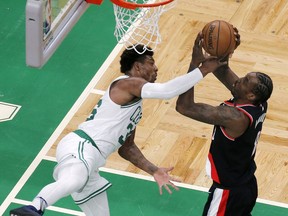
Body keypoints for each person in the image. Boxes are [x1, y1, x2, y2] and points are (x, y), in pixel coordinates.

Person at [10, 44, 224, 216]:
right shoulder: (126, 84)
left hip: (91, 161)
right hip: (81, 146)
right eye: (151, 63)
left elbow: (127, 148)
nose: (156, 68)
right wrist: (203, 68)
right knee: (74, 178)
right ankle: (32, 208)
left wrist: (154, 170)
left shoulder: (134, 104)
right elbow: (168, 91)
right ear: (138, 67)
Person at [176, 32, 273, 216]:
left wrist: (194, 65)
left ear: (251, 95)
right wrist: (226, 50)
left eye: (244, 81)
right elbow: (222, 71)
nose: (238, 80)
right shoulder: (259, 103)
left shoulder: (234, 117)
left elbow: (184, 106)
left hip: (228, 193)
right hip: (246, 185)